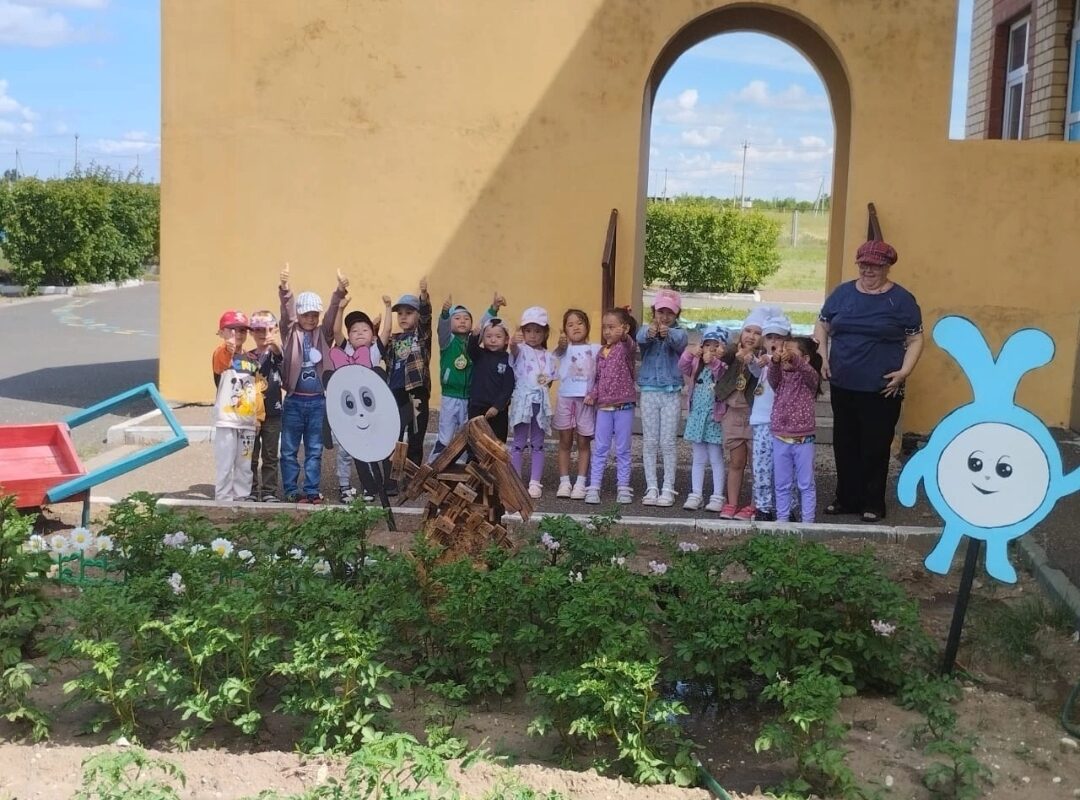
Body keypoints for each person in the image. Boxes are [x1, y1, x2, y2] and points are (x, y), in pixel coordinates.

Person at [815, 240, 924, 522]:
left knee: (875, 445)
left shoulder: (901, 300)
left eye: (875, 266)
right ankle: (845, 498)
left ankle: (873, 502)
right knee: (845, 443)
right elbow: (822, 325)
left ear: (887, 267)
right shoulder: (842, 294)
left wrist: (904, 372)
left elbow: (915, 339)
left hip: (882, 387)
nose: (868, 270)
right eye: (863, 264)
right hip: (843, 382)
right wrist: (822, 357)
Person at [277, 264, 348, 504]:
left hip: (317, 401)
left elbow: (331, 315)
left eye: (314, 315)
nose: (310, 319)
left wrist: (339, 291)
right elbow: (286, 314)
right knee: (289, 449)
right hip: (294, 401)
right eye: (306, 314)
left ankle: (311, 490)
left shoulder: (322, 333)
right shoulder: (290, 332)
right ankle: (291, 490)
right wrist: (285, 288)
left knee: (314, 450)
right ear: (299, 315)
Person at [327, 298, 392, 503]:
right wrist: (340, 308)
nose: (360, 333)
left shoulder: (374, 351)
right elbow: (336, 331)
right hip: (350, 410)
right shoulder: (346, 350)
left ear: (373, 335)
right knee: (350, 450)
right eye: (354, 331)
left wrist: (388, 308)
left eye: (365, 329)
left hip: (371, 410)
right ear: (349, 337)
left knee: (373, 447)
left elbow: (387, 331)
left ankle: (377, 486)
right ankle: (352, 486)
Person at [432, 291, 505, 460]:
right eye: (457, 318)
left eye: (466, 318)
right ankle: (435, 463)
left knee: (466, 433)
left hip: (469, 397)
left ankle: (462, 465)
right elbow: (442, 328)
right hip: (450, 396)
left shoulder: (473, 342)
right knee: (446, 434)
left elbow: (483, 325)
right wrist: (445, 314)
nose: (462, 321)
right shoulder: (447, 341)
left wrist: (493, 308)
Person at [714, 306, 768, 519]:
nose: (751, 336)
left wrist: (752, 360)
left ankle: (755, 504)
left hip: (755, 415)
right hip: (733, 414)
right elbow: (725, 353)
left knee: (757, 463)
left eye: (757, 333)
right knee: (736, 461)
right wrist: (721, 352)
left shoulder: (763, 358)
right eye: (748, 330)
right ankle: (732, 502)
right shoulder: (733, 351)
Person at [636, 289, 688, 507]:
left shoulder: (680, 333)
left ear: (677, 314)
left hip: (671, 392)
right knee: (649, 441)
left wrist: (668, 334)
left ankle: (668, 487)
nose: (665, 317)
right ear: (654, 312)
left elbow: (680, 342)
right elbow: (640, 338)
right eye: (661, 311)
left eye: (670, 313)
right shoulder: (645, 330)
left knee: (668, 442)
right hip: (649, 391)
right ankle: (651, 487)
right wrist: (652, 332)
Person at [585, 308, 638, 506]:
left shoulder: (625, 348)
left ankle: (623, 487)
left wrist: (623, 335)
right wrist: (593, 395)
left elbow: (629, 343)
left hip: (624, 406)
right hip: (604, 407)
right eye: (605, 327)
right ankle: (594, 486)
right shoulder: (601, 352)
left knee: (623, 449)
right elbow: (599, 379)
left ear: (625, 328)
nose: (607, 331)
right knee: (600, 448)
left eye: (612, 327)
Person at [768, 336, 824, 524]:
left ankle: (808, 522)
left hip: (804, 438)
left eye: (790, 352)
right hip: (780, 437)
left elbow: (809, 373)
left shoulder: (808, 378)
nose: (785, 355)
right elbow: (771, 377)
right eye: (784, 351)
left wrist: (794, 359)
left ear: (805, 358)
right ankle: (782, 519)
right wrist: (775, 361)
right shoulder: (781, 378)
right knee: (781, 483)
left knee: (806, 483)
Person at [211, 311, 265, 501]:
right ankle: (223, 499)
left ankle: (242, 497)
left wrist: (258, 417)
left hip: (247, 421)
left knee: (244, 464)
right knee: (225, 463)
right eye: (232, 330)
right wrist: (229, 347)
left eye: (242, 330)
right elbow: (220, 364)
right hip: (227, 420)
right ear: (222, 332)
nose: (238, 334)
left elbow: (257, 389)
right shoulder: (220, 354)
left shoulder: (252, 360)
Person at [387, 278, 433, 483]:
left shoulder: (421, 336)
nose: (403, 317)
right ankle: (393, 477)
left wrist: (423, 297)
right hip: (396, 392)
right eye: (400, 314)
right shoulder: (394, 339)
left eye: (409, 312)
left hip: (416, 392)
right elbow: (379, 346)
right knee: (395, 436)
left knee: (415, 436)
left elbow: (426, 318)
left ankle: (412, 478)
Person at [678, 325, 728, 513]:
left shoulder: (723, 366)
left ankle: (717, 496)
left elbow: (720, 374)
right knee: (698, 457)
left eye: (716, 346)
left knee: (716, 457)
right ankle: (696, 494)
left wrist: (714, 361)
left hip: (714, 418)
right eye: (707, 345)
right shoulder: (696, 364)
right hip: (697, 416)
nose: (710, 350)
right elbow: (682, 366)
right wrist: (691, 353)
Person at [552, 309, 600, 500]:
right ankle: (564, 482)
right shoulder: (563, 349)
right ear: (564, 330)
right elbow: (558, 351)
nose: (576, 327)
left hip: (586, 401)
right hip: (565, 399)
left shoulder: (596, 349)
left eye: (580, 323)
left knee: (583, 442)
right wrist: (561, 343)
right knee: (565, 441)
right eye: (570, 325)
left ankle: (581, 482)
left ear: (587, 326)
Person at [748, 309, 791, 521]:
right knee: (761, 466)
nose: (773, 341)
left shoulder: (789, 362)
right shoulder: (763, 361)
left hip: (784, 422)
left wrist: (775, 360)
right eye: (769, 337)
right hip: (762, 420)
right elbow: (756, 371)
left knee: (785, 467)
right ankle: (763, 507)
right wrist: (752, 361)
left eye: (779, 337)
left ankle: (787, 507)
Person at [509, 306, 556, 499]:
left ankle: (535, 482)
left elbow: (550, 380)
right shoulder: (520, 350)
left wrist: (543, 387)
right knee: (518, 443)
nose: (533, 335)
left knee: (538, 443)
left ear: (545, 333)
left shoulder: (548, 356)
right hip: (522, 402)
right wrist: (513, 341)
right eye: (528, 330)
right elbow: (512, 349)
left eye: (538, 331)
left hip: (539, 402)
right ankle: (515, 480)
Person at [246, 310, 283, 502]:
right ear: (251, 332)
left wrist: (274, 343)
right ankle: (250, 490)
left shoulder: (277, 355)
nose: (263, 334)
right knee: (250, 456)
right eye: (258, 330)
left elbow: (280, 354)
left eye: (268, 329)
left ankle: (269, 491)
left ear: (275, 329)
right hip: (250, 415)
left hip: (273, 414)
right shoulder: (247, 357)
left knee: (270, 455)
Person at [468, 316, 515, 442]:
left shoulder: (508, 360)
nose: (493, 340)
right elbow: (471, 348)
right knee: (475, 439)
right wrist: (474, 336)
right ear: (483, 338)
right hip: (477, 406)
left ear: (506, 340)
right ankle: (472, 455)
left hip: (498, 410)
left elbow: (508, 387)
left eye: (498, 337)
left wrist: (497, 406)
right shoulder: (479, 355)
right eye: (488, 336)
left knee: (496, 441)